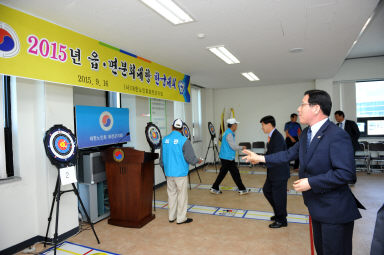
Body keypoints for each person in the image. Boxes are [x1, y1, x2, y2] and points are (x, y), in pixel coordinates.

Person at [242, 90, 364, 255]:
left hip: (335, 211)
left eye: (302, 104)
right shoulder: (307, 133)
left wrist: (311, 182)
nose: (298, 109)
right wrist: (260, 158)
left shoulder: (337, 135)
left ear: (316, 108)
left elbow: (346, 173)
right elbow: (288, 154)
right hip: (317, 207)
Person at [160, 118, 203, 224]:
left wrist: (165, 169)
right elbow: (190, 158)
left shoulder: (164, 139)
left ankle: (171, 216)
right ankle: (181, 218)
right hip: (180, 173)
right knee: (182, 195)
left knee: (171, 195)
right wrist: (198, 160)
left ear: (172, 127)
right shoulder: (184, 141)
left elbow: (161, 159)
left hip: (169, 173)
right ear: (183, 129)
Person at [260, 115, 290, 228]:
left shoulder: (277, 137)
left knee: (279, 197)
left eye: (262, 125)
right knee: (267, 190)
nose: (262, 127)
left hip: (279, 173)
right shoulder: (272, 136)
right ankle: (279, 213)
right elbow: (270, 155)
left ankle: (281, 220)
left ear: (268, 124)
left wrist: (259, 160)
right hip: (273, 172)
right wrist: (258, 159)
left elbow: (275, 157)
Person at [210, 118, 248, 195]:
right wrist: (242, 147)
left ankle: (215, 187)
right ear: (233, 125)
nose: (237, 126)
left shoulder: (227, 132)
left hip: (226, 157)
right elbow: (233, 146)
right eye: (236, 124)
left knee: (230, 173)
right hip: (227, 158)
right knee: (232, 173)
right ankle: (214, 187)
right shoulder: (229, 134)